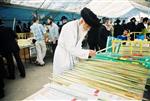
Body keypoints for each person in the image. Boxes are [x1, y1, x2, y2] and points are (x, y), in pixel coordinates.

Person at [53, 7, 99, 75]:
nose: (88, 29)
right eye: (88, 26)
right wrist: (87, 53)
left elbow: (79, 44)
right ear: (82, 21)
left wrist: (82, 56)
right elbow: (70, 48)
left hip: (72, 56)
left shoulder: (82, 28)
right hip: (63, 56)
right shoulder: (69, 27)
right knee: (62, 77)